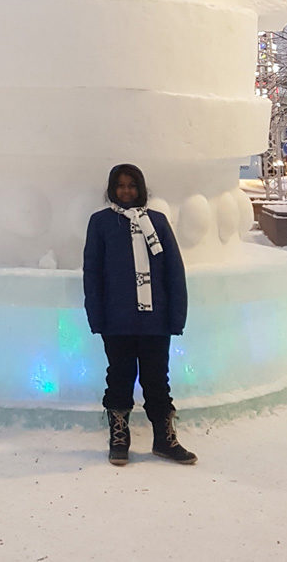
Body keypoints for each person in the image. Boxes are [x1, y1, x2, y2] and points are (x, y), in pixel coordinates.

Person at [82, 163, 196, 467]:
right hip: (116, 320)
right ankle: (119, 437)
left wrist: (176, 316)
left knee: (157, 380)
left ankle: (164, 439)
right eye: (120, 185)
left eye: (132, 185)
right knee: (119, 377)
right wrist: (96, 315)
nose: (126, 191)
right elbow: (92, 273)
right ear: (111, 190)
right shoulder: (101, 223)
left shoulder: (157, 222)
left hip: (155, 321)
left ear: (141, 188)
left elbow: (174, 271)